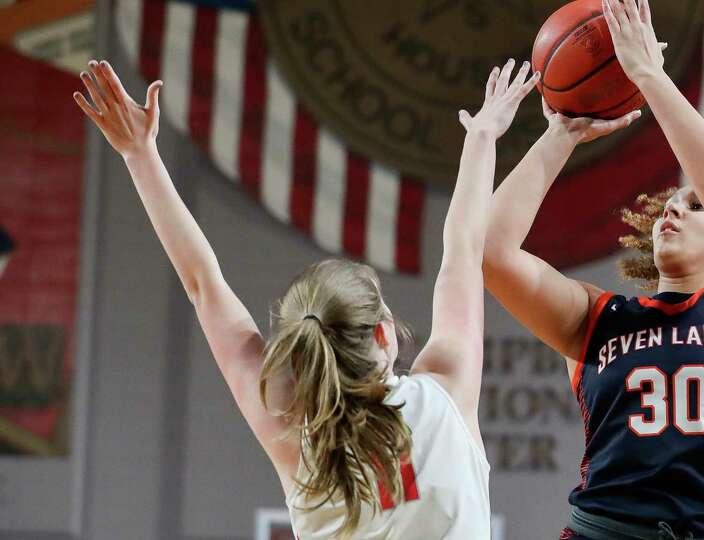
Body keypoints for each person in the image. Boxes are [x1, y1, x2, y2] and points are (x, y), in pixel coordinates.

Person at [74, 57, 539, 539]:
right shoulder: (444, 394)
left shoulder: (292, 437)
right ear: (383, 333)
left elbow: (202, 284)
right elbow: (461, 251)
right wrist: (483, 135)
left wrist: (139, 155)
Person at [481, 1, 704, 538]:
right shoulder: (599, 318)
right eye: (670, 203)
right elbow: (492, 254)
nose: (672, 209)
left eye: (693, 206)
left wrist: (650, 75)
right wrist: (561, 135)